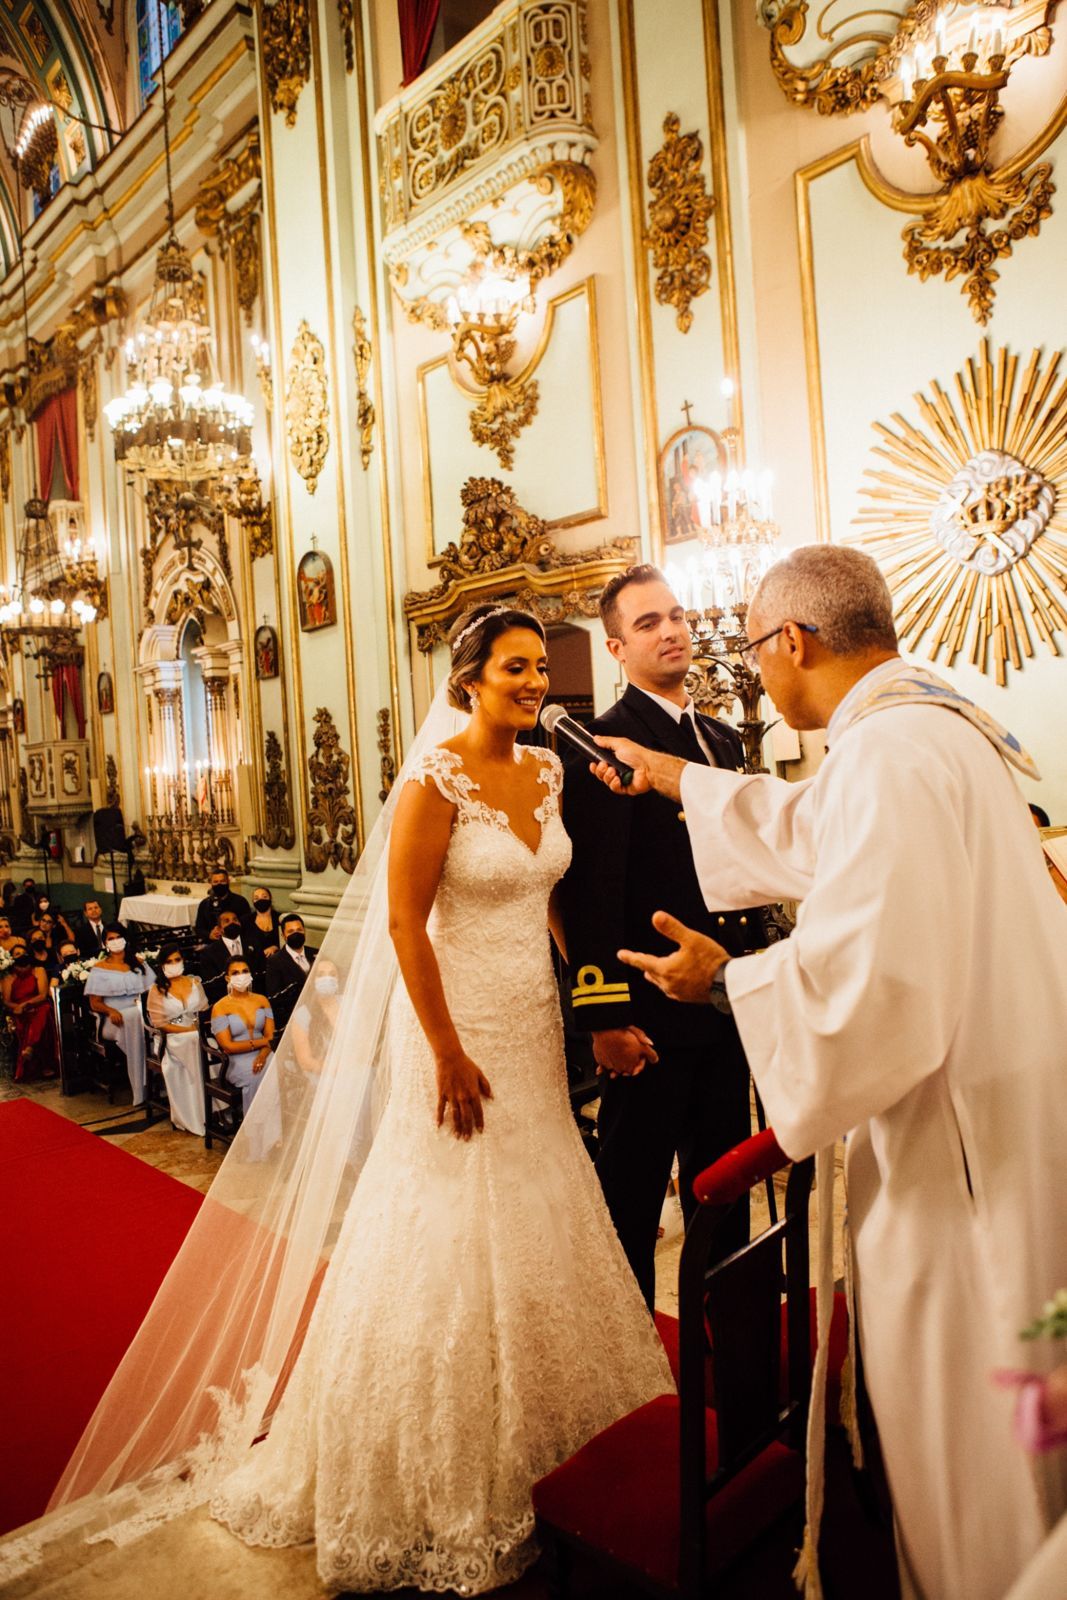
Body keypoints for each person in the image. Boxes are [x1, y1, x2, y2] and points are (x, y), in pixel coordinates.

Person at [589, 544, 1067, 1600]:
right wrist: (667, 772)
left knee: (970, 1423)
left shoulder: (884, 756)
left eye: (754, 650)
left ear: (791, 642)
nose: (749, 671)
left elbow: (871, 986)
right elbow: (805, 828)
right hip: (1010, 1098)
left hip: (956, 1152)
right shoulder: (928, 726)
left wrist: (724, 984)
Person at [205, 602, 672, 1592]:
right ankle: (443, 1466)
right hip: (454, 1032)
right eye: (513, 668)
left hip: (533, 1023)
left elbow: (551, 894)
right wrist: (447, 1048)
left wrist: (589, 1005)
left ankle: (555, 1430)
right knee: (447, 1220)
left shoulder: (547, 768)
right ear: (466, 679)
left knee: (542, 1195)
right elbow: (408, 927)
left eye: (539, 667)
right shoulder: (433, 779)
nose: (533, 683)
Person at [560, 564, 763, 1308]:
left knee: (727, 1194)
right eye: (647, 622)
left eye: (675, 615)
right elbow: (590, 894)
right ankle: (634, 1365)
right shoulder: (601, 743)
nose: (672, 630)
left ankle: (730, 1347)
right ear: (614, 648)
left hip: (724, 1002)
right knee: (630, 1201)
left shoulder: (717, 738)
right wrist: (603, 1020)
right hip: (647, 1018)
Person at [84, 925, 156, 1103]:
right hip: (113, 1019)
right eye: (111, 938)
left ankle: (158, 1076)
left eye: (118, 937)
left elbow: (154, 990)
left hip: (141, 1013)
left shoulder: (138, 962)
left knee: (141, 1017)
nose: (115, 941)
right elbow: (94, 1002)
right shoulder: (99, 968)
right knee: (132, 1017)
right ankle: (141, 1088)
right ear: (105, 943)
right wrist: (111, 1010)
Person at [147, 946, 209, 1136]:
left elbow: (204, 1010)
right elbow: (160, 1024)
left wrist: (196, 1028)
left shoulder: (193, 982)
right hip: (171, 1036)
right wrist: (187, 1029)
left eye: (177, 960)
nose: (174, 964)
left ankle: (212, 1106)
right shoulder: (157, 989)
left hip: (196, 1030)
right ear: (162, 965)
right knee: (192, 1040)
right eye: (169, 961)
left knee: (211, 1043)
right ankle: (196, 1115)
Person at [0, 939, 58, 1080]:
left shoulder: (38, 970)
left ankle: (30, 1047)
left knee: (44, 1011)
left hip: (37, 1004)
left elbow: (43, 995)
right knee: (27, 1021)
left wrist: (27, 1004)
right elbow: (7, 1001)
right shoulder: (8, 977)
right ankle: (43, 1065)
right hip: (18, 1010)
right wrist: (20, 1007)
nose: (21, 955)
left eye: (23, 953)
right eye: (17, 954)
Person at [262, 913, 317, 1034]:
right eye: (291, 931)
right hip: (294, 1018)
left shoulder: (316, 953)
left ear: (304, 931)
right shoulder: (275, 961)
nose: (296, 934)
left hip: (319, 1012)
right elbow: (275, 997)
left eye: (299, 930)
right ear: (283, 935)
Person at [199, 908, 262, 1001]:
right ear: (219, 929)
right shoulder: (209, 953)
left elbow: (262, 972)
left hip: (254, 997)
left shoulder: (254, 944)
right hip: (226, 1001)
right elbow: (211, 985)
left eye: (235, 920)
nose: (232, 923)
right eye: (227, 921)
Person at [194, 868, 251, 940]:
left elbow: (247, 925)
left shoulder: (240, 901)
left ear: (228, 881)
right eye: (215, 882)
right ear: (211, 883)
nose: (219, 884)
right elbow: (199, 928)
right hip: (212, 944)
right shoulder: (205, 904)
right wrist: (210, 934)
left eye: (222, 881)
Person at [242, 886, 281, 960]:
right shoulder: (245, 921)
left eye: (264, 897)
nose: (261, 900)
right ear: (253, 901)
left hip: (277, 961)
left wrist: (275, 947)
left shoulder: (280, 919)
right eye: (256, 898)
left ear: (270, 898)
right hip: (255, 962)